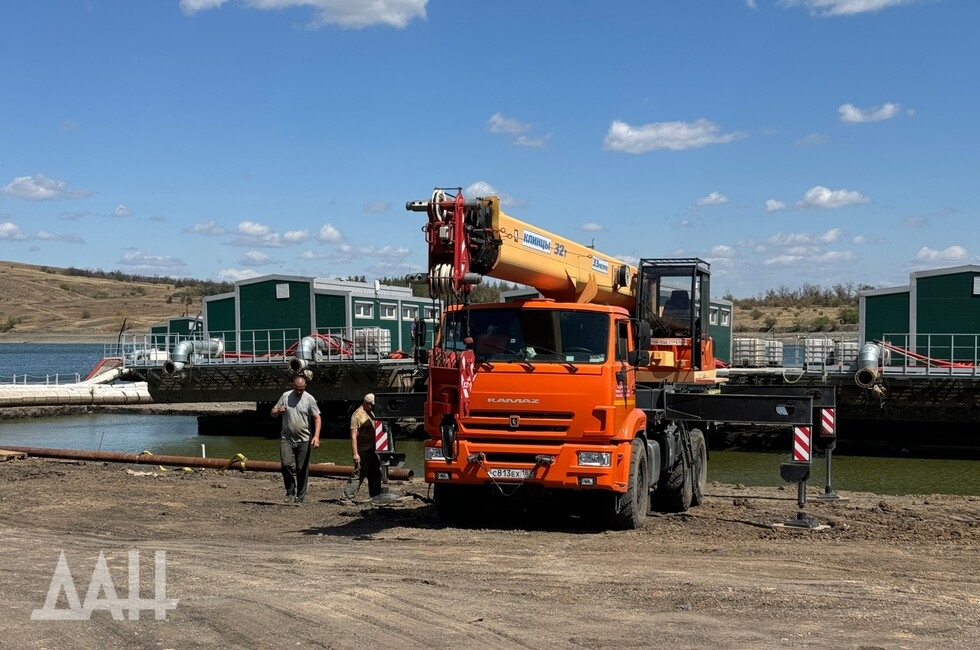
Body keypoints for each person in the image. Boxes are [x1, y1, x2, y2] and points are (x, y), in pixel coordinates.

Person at [270, 375, 321, 504]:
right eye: (297, 389)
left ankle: (300, 496)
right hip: (287, 438)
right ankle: (290, 490)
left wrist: (316, 436)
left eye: (301, 389)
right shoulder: (285, 396)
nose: (299, 392)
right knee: (286, 464)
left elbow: (317, 418)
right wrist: (278, 411)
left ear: (305, 387)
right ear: (293, 386)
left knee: (302, 469)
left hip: (304, 439)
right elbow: (273, 412)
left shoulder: (309, 399)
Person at [343, 393, 383, 502]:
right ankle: (346, 498)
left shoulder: (371, 413)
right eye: (371, 405)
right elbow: (353, 436)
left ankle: (375, 496)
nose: (373, 407)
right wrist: (355, 454)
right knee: (359, 474)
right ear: (366, 403)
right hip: (362, 451)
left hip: (372, 450)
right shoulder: (357, 416)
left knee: (375, 473)